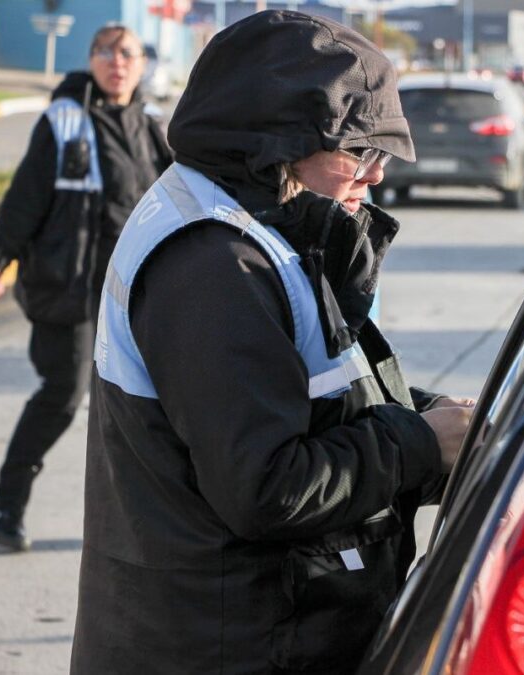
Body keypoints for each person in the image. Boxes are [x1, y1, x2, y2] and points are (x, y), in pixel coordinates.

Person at [70, 11, 474, 675]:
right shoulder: (213, 265)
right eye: (358, 152)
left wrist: (434, 418)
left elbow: (313, 393)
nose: (373, 177)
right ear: (279, 143)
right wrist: (420, 444)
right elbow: (267, 486)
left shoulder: (256, 223)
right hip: (228, 646)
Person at [0, 24, 172, 552]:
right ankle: (5, 504)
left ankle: (148, 524)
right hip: (70, 287)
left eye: (127, 52)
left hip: (133, 292)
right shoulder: (64, 120)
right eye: (105, 52)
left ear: (141, 63)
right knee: (62, 395)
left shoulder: (153, 126)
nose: (116, 62)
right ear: (90, 59)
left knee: (147, 405)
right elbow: (26, 197)